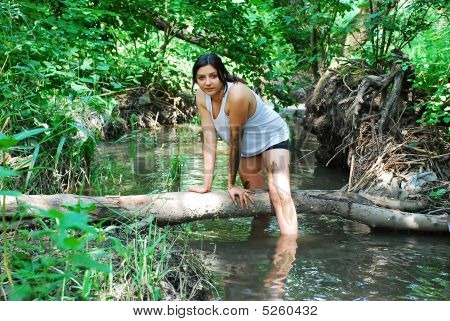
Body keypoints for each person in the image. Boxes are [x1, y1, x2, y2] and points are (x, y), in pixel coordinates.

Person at [188, 53, 298, 236]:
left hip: (272, 136)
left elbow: (235, 143)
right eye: (201, 78)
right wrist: (206, 184)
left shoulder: (237, 95)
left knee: (280, 193)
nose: (207, 82)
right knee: (255, 201)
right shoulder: (201, 97)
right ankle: (257, 242)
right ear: (196, 80)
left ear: (222, 74)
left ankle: (289, 249)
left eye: (213, 76)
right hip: (248, 145)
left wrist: (231, 184)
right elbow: (209, 140)